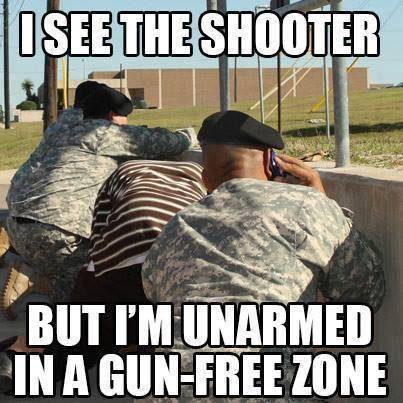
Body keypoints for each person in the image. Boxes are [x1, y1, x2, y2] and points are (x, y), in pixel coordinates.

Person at [141, 111, 386, 400]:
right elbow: (365, 293)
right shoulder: (306, 207)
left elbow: (156, 298)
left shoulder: (176, 226)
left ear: (205, 178)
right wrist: (323, 202)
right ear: (271, 160)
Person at [0, 159, 206, 393]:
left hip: (120, 261)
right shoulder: (204, 178)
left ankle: (19, 360)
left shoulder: (124, 172)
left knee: (82, 331)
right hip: (172, 266)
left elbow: (98, 234)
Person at [4, 83, 198, 311]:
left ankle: (34, 277)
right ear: (112, 116)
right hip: (58, 232)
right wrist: (189, 134)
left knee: (69, 281)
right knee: (90, 297)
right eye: (125, 118)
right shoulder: (104, 134)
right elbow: (166, 142)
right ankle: (46, 304)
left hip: (17, 226)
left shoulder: (61, 129)